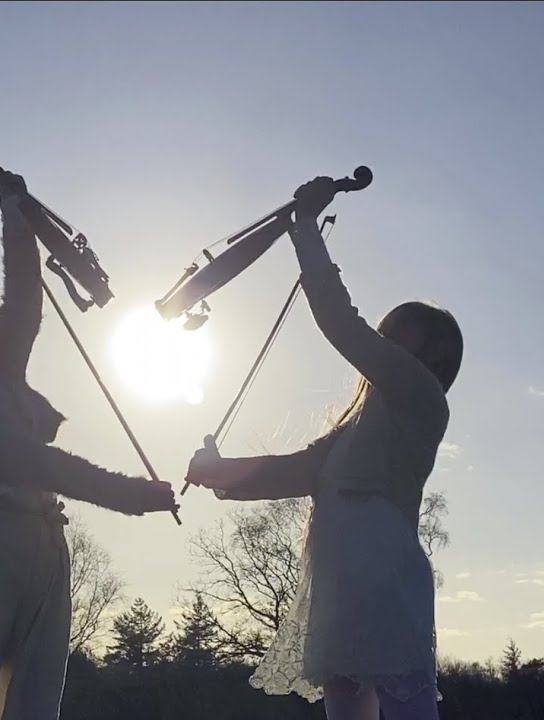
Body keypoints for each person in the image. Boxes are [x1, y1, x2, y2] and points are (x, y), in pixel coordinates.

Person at [0, 169, 177, 720]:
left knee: (36, 700)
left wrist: (15, 209)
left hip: (46, 545)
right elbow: (30, 461)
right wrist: (128, 494)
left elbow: (24, 300)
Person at [184, 177, 464, 720]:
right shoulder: (359, 424)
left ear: (434, 354)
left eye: (396, 333)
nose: (381, 339)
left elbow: (342, 325)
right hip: (339, 587)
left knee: (406, 705)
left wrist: (307, 228)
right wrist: (220, 472)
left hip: (385, 578)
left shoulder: (421, 395)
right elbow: (298, 471)